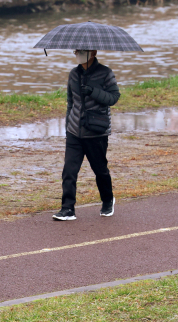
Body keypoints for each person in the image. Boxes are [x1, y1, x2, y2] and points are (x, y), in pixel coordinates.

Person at [53, 49, 120, 221]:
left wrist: (93, 91)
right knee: (69, 170)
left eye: (81, 51)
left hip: (96, 132)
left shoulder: (106, 73)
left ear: (93, 52)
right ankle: (67, 209)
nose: (77, 53)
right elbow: (71, 102)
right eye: (76, 50)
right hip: (75, 132)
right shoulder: (74, 74)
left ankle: (107, 200)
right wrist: (68, 127)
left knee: (100, 170)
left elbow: (113, 98)